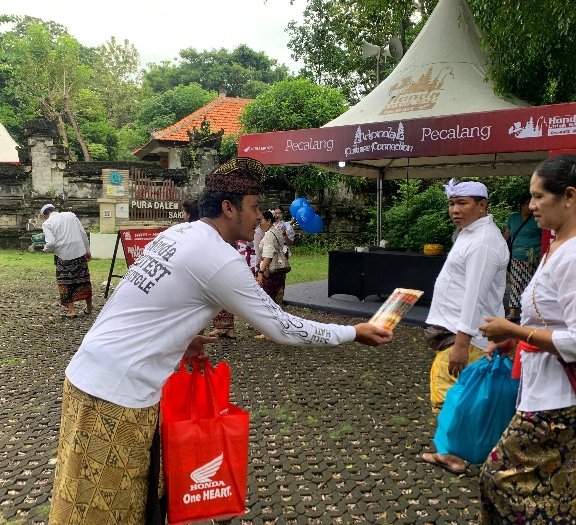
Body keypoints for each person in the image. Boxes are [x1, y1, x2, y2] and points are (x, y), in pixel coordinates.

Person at [48, 157, 393, 525]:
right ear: (229, 208)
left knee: (89, 498)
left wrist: (180, 338)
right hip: (115, 396)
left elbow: (138, 303)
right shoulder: (220, 258)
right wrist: (352, 332)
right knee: (105, 512)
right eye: (254, 207)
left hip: (88, 376)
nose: (258, 216)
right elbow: (282, 326)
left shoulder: (176, 234)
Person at [478, 154, 576, 524]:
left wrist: (513, 331)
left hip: (564, 399)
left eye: (539, 196)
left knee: (499, 478)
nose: (532, 205)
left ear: (569, 196)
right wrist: (516, 341)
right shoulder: (558, 244)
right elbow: (550, 316)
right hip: (557, 391)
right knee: (563, 487)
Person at [420, 179, 508, 475]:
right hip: (459, 332)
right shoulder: (471, 234)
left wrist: (461, 344)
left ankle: (454, 455)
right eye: (451, 203)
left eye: (462, 203)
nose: (455, 210)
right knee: (458, 394)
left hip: (466, 337)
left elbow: (474, 297)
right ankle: (457, 450)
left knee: (448, 393)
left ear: (482, 205)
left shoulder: (483, 242)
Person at [41, 204, 93, 318]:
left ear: (45, 215)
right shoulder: (71, 215)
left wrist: (45, 249)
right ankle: (89, 307)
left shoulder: (47, 223)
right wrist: (87, 250)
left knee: (65, 282)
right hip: (79, 252)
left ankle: (71, 310)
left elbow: (51, 243)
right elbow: (83, 233)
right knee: (84, 280)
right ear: (55, 210)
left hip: (63, 255)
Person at [503, 193, 543, 323]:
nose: (531, 206)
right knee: (516, 284)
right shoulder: (513, 218)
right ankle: (513, 312)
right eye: (528, 203)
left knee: (531, 284)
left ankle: (531, 312)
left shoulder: (537, 219)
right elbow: (506, 236)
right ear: (521, 205)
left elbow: (545, 237)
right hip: (516, 257)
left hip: (533, 258)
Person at [254, 209, 288, 341]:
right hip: (279, 271)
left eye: (261, 221)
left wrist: (260, 272)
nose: (259, 224)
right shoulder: (277, 232)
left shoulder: (269, 235)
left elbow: (267, 256)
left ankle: (268, 331)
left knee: (266, 301)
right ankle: (278, 328)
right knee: (275, 301)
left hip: (270, 272)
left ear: (269, 221)